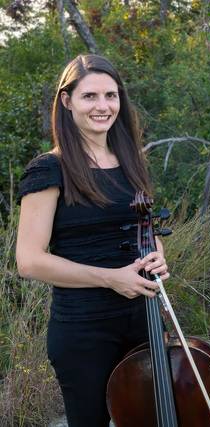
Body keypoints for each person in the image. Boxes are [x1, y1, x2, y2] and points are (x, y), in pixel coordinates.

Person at [16, 54, 169, 426]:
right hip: (84, 328)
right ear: (67, 101)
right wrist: (110, 277)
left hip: (142, 318)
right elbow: (29, 260)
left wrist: (158, 256)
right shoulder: (49, 168)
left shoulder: (130, 160)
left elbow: (143, 228)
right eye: (90, 97)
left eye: (111, 96)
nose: (103, 107)